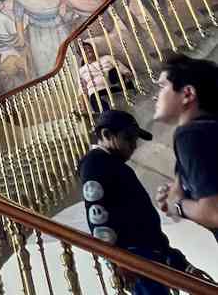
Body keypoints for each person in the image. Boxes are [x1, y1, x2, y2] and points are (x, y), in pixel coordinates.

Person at [80, 109, 190, 295]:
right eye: (128, 138)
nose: (133, 145)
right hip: (135, 257)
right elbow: (97, 216)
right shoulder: (95, 162)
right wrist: (117, 259)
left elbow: (139, 217)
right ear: (107, 134)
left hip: (147, 255)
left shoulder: (112, 164)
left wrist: (172, 256)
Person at [154, 53, 218, 243]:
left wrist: (178, 205)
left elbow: (214, 212)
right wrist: (176, 192)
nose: (155, 97)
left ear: (188, 94)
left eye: (162, 86)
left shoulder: (190, 135)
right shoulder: (208, 130)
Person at [78, 42, 134, 112]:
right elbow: (82, 91)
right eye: (85, 49)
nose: (89, 50)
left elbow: (126, 71)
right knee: (93, 97)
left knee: (113, 71)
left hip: (115, 85)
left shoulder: (107, 58)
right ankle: (109, 115)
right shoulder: (81, 70)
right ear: (81, 55)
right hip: (98, 92)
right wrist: (83, 109)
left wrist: (127, 76)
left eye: (90, 48)